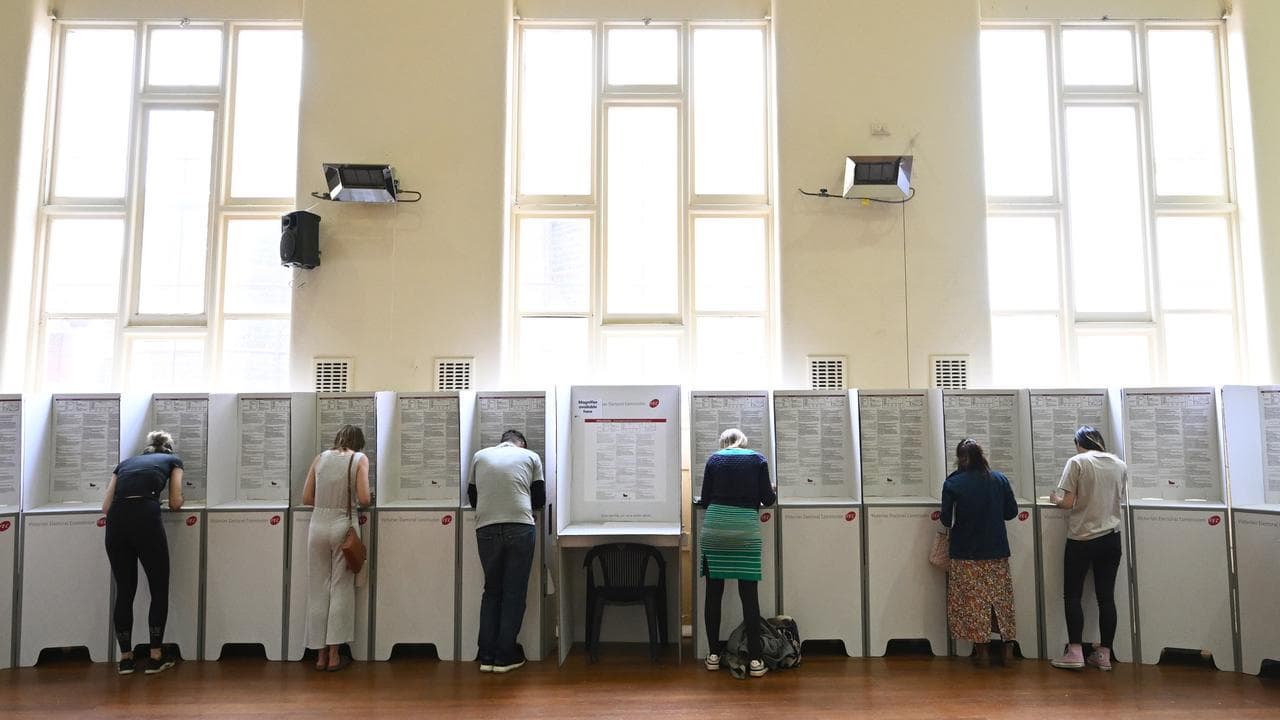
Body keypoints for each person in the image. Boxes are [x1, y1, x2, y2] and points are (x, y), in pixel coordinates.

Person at [102, 430, 184, 675]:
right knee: (158, 588)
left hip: (116, 523)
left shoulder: (124, 464)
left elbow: (105, 506)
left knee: (125, 591)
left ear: (146, 448)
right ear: (168, 448)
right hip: (146, 520)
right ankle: (155, 657)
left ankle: (126, 659)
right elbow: (175, 502)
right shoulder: (173, 461)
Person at [696, 428, 776, 678]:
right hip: (745, 529)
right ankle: (755, 660)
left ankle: (712, 655)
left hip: (716, 527)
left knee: (713, 593)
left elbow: (705, 498)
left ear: (723, 443)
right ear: (744, 442)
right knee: (749, 596)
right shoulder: (758, 459)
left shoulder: (714, 459)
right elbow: (768, 499)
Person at [467, 429, 545, 673]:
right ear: (520, 443)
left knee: (491, 590)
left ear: (501, 442)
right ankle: (505, 655)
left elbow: (472, 495)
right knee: (514, 592)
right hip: (520, 526)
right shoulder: (530, 456)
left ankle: (487, 656)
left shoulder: (480, 456)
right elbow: (539, 498)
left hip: (486, 528)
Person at [1049, 426, 1127, 671]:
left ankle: (1075, 652)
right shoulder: (1119, 464)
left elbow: (1069, 502)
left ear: (1079, 443)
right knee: (1106, 598)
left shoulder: (1077, 462)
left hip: (1081, 538)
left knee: (1073, 595)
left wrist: (1056, 500)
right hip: (1111, 539)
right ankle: (1104, 654)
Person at [940, 438, 1018, 666]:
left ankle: (982, 652)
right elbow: (1011, 512)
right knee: (1000, 601)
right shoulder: (999, 479)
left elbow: (946, 519)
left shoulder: (953, 483)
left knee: (974, 602)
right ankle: (1007, 650)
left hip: (965, 553)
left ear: (959, 458)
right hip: (996, 551)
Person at [302, 424, 371, 672]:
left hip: (317, 525)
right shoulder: (359, 459)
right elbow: (363, 499)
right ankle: (334, 655)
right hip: (343, 525)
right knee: (340, 587)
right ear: (359, 442)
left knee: (318, 588)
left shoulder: (320, 458)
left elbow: (307, 498)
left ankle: (318, 656)